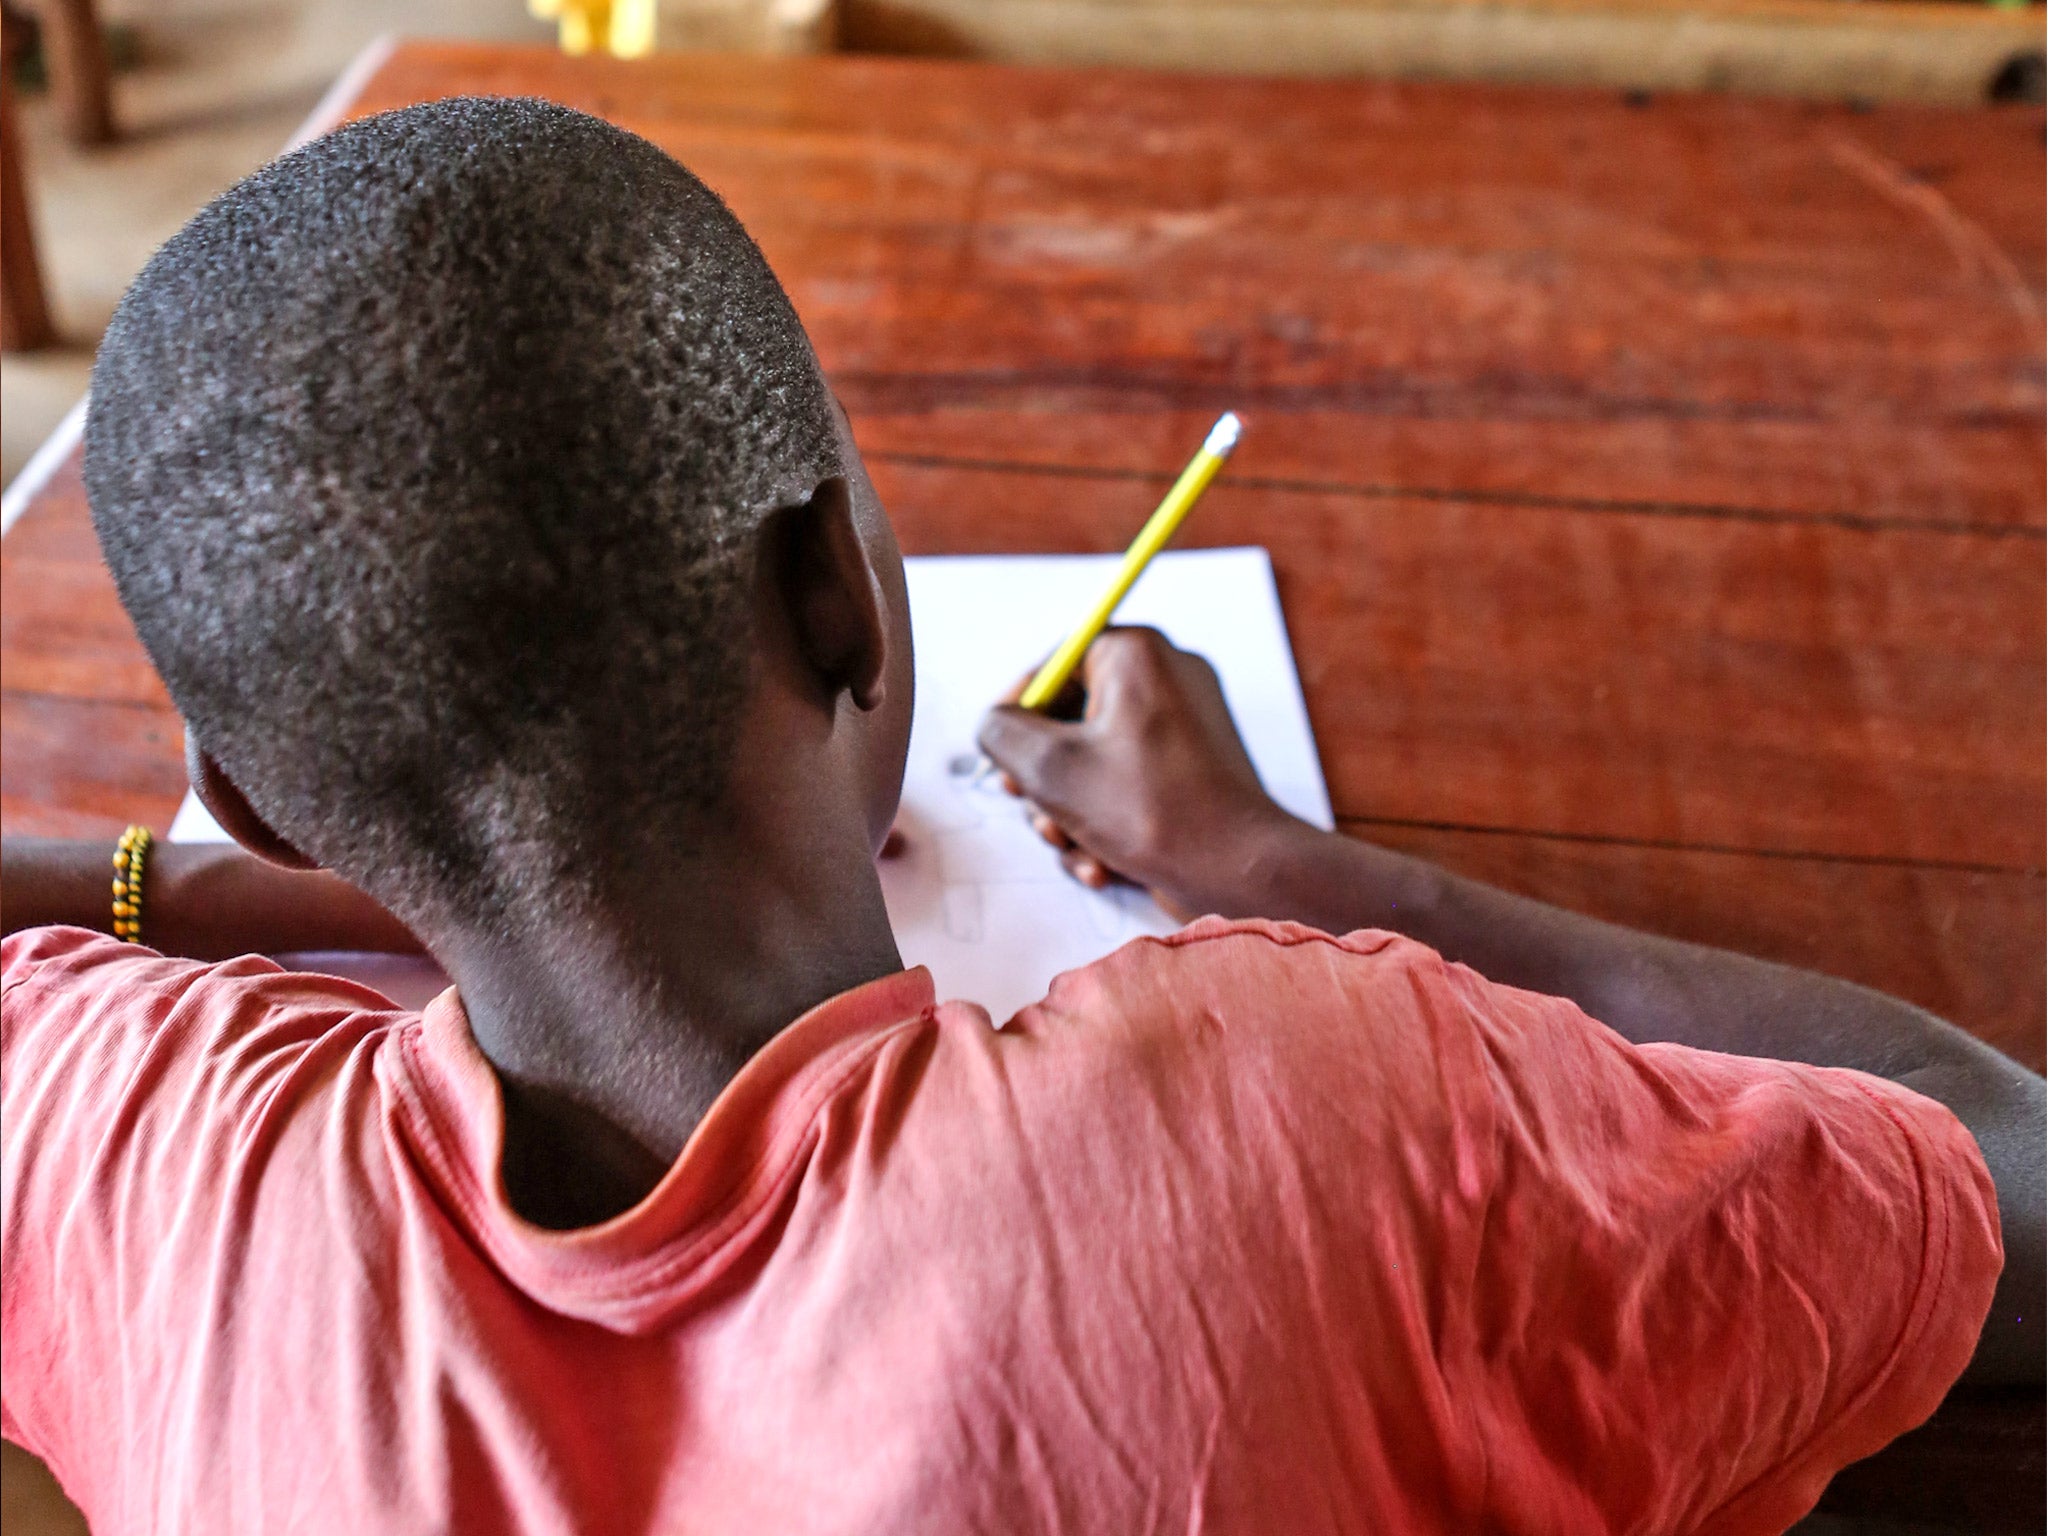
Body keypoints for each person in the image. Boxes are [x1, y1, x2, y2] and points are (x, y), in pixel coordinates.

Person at [1, 96, 2038, 1536]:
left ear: (258, 791)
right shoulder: (1324, 1127)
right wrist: (1291, 870)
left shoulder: (133, 1161)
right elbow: (2008, 1180)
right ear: (837, 597)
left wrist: (229, 886)